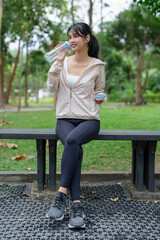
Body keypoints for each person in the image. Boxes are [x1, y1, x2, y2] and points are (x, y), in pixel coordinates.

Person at [46, 22, 106, 229]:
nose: (71, 40)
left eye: (76, 36)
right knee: (74, 147)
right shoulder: (61, 62)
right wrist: (57, 62)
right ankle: (76, 206)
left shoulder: (97, 66)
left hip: (89, 120)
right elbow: (50, 87)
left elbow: (101, 89)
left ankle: (61, 194)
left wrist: (101, 97)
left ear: (87, 38)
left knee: (72, 142)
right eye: (70, 36)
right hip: (64, 119)